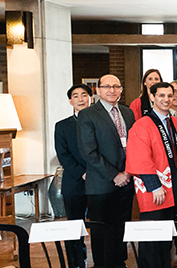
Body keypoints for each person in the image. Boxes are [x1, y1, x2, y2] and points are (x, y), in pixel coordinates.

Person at [77, 74, 135, 267]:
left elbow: (134, 147)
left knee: (121, 226)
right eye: (107, 86)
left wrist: (127, 173)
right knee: (102, 229)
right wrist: (114, 175)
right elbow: (89, 152)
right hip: (101, 184)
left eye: (116, 86)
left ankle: (119, 262)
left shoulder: (128, 113)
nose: (112, 90)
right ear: (98, 90)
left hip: (126, 181)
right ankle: (103, 264)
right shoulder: (88, 114)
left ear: (121, 90)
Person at [125, 82, 177, 268]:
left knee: (165, 236)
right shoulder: (142, 124)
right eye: (161, 95)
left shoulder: (173, 122)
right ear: (152, 97)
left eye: (169, 95)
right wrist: (155, 186)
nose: (166, 100)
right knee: (151, 235)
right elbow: (139, 157)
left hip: (172, 186)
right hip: (154, 188)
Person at [55, 84, 92, 268]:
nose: (80, 99)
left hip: (99, 181)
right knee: (74, 227)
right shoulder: (62, 126)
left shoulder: (100, 122)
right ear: (71, 101)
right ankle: (76, 262)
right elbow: (63, 155)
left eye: (84, 95)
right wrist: (82, 173)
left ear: (90, 98)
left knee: (100, 224)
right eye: (76, 96)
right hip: (75, 182)